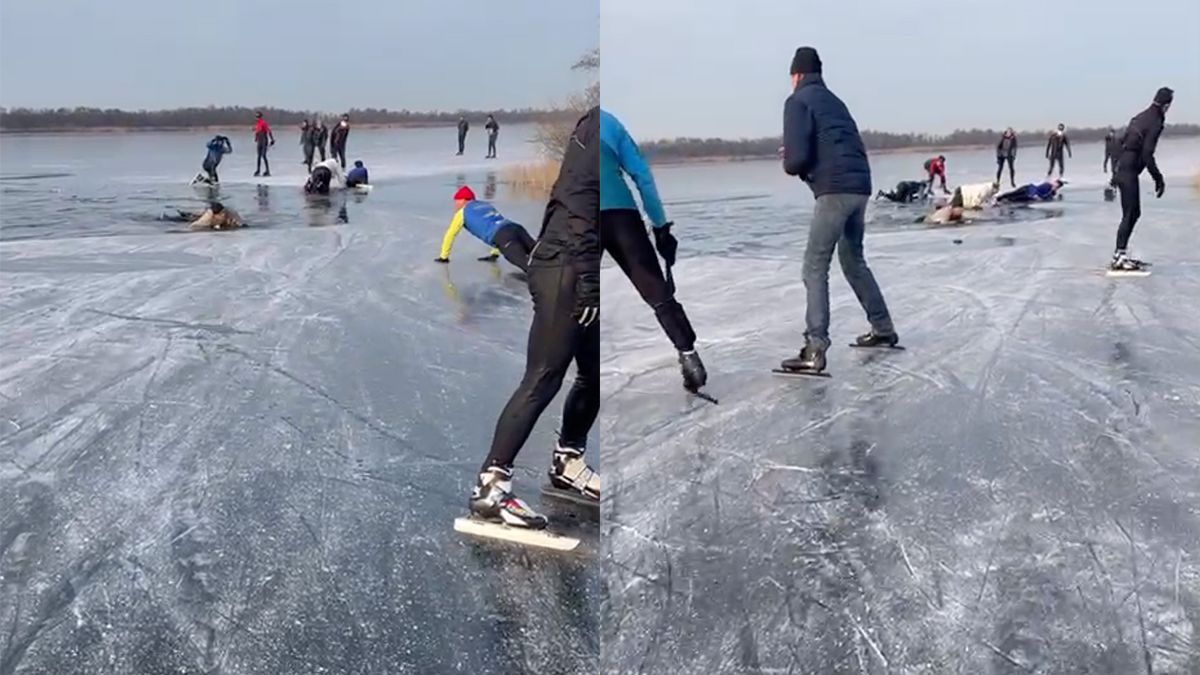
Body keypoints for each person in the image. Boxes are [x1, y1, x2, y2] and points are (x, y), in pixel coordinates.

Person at [469, 107, 600, 529]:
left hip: (580, 269)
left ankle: (568, 463)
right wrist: (587, 282)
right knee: (544, 376)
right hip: (564, 269)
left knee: (593, 373)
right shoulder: (600, 128)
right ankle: (491, 486)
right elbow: (581, 204)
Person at [779, 46, 897, 376]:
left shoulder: (797, 101)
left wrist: (789, 158)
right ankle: (883, 328)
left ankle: (815, 347)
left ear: (796, 75)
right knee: (853, 260)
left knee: (814, 266)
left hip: (834, 190)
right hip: (860, 186)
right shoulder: (834, 101)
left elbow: (795, 161)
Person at [600, 108, 707, 392]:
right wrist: (660, 226)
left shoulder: (580, 131)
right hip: (620, 213)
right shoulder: (610, 122)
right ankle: (689, 357)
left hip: (581, 213)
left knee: (578, 294)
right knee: (658, 293)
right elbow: (642, 175)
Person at [1110, 87, 1172, 272]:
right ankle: (1118, 256)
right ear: (1167, 105)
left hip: (1123, 167)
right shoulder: (1155, 120)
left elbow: (1120, 142)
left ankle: (1120, 254)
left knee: (1133, 213)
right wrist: (1158, 178)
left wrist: (1115, 171)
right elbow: (1146, 154)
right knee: (1130, 213)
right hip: (1128, 171)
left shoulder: (1142, 116)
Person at [434, 186, 535, 271]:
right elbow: (492, 222)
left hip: (503, 236)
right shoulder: (485, 205)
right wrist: (494, 253)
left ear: (464, 200)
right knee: (539, 253)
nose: (455, 204)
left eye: (457, 201)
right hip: (516, 228)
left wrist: (444, 257)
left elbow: (450, 234)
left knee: (527, 266)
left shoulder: (462, 212)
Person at [168, 202, 243, 231]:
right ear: (215, 216)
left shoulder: (231, 213)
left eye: (224, 213)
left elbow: (241, 224)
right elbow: (193, 226)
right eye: (221, 215)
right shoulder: (207, 219)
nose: (224, 215)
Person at [995, 179, 1065, 204]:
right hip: (1028, 189)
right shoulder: (1047, 185)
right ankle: (998, 198)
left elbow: (1045, 198)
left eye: (1057, 186)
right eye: (1056, 184)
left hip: (1030, 196)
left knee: (1015, 198)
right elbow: (1036, 188)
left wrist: (1054, 195)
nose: (1056, 186)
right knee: (1013, 193)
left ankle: (1002, 201)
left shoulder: (1052, 192)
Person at [253, 111, 275, 177]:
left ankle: (267, 170)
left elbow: (269, 131)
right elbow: (257, 132)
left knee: (263, 155)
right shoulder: (257, 124)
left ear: (260, 117)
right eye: (256, 117)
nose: (257, 118)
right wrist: (256, 138)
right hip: (259, 141)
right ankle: (258, 170)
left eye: (258, 117)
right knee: (258, 156)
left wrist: (272, 139)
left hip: (264, 141)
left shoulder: (263, 123)